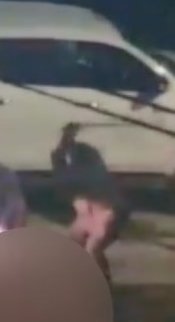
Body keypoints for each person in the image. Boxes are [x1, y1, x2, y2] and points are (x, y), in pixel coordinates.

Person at [51, 122, 128, 285]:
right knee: (78, 244)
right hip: (91, 210)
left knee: (92, 248)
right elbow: (63, 177)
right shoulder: (66, 158)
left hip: (105, 210)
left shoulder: (87, 159)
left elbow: (77, 179)